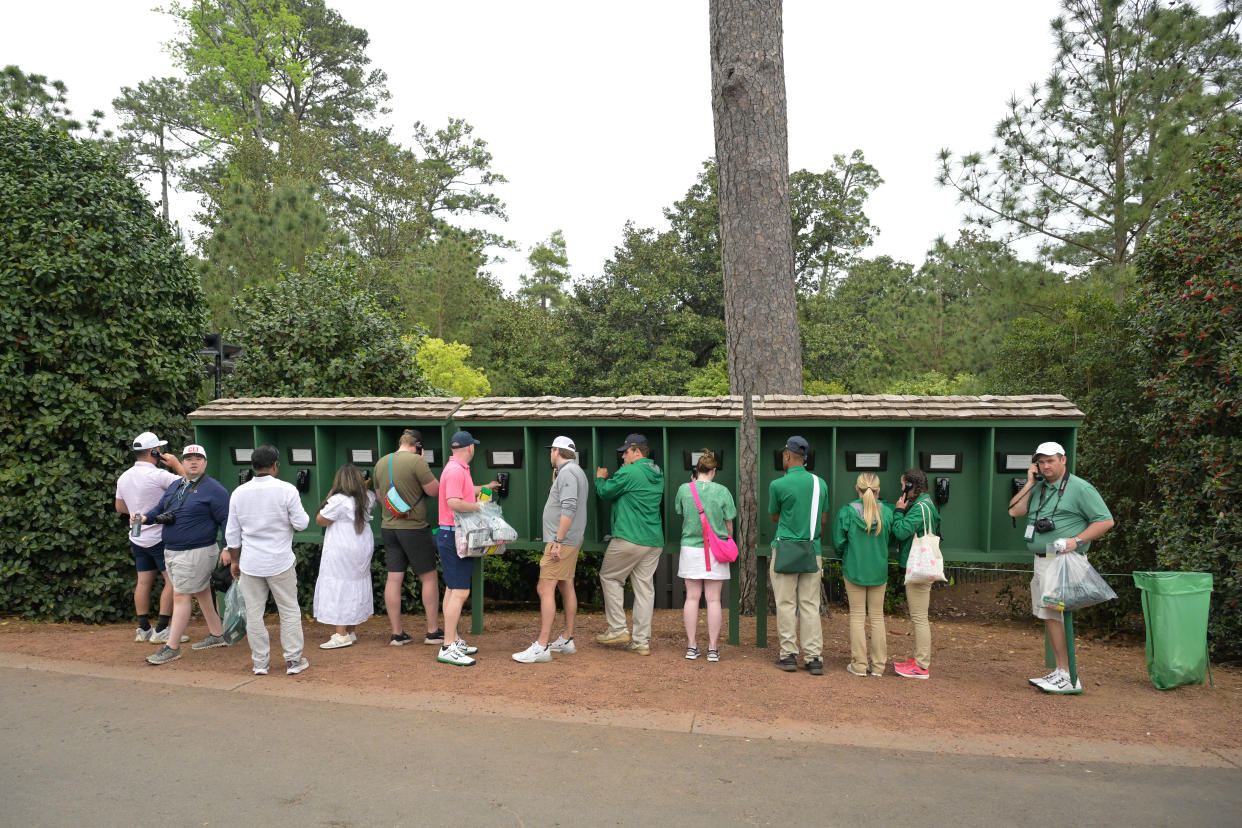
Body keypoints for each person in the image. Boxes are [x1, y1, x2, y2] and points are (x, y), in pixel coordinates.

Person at [1008, 441, 1115, 694]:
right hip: (1043, 559)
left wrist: (1076, 541)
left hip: (1063, 561)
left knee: (1056, 615)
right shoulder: (1039, 487)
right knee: (1050, 616)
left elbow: (1106, 521)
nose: (1046, 466)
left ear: (1063, 460)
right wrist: (1031, 482)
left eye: (1051, 461)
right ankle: (1061, 671)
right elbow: (1014, 511)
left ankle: (1069, 676)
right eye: (1041, 462)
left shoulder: (1080, 488)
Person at [223, 445, 311, 676]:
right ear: (275, 466)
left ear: (252, 467)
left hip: (250, 563)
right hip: (280, 561)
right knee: (289, 610)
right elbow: (302, 523)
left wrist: (234, 561)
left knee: (254, 614)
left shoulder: (239, 493)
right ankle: (293, 660)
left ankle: (260, 663)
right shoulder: (287, 490)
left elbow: (232, 534)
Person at [139, 444, 231, 665]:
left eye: (198, 458)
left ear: (205, 463)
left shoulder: (214, 489)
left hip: (196, 550)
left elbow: (228, 519)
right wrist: (145, 519)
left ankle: (172, 647)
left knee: (180, 595)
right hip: (173, 550)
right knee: (201, 592)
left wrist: (228, 548)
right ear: (183, 462)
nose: (193, 461)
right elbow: (160, 508)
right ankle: (217, 634)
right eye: (189, 458)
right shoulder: (176, 485)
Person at [513, 436, 587, 664]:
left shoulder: (567, 473)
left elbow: (569, 506)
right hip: (570, 539)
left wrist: (558, 540)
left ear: (557, 451)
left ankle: (542, 646)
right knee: (566, 584)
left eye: (551, 450)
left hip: (562, 541)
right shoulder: (574, 471)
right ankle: (566, 639)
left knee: (545, 587)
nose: (550, 454)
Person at [595, 433, 665, 656]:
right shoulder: (657, 472)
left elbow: (606, 492)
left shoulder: (630, 471)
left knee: (610, 577)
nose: (622, 456)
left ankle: (617, 628)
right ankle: (641, 642)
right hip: (653, 540)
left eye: (625, 452)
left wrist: (600, 478)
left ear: (637, 451)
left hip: (629, 537)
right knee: (644, 590)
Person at [115, 431, 186, 645]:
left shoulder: (124, 476)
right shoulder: (159, 475)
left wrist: (138, 513)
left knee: (143, 581)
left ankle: (143, 628)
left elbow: (120, 507)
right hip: (159, 536)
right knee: (172, 581)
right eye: (159, 450)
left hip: (137, 536)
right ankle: (162, 629)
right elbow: (190, 485)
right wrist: (175, 464)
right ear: (154, 452)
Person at [434, 430, 499, 666]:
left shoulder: (457, 469)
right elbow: (453, 502)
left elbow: (461, 491)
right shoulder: (454, 471)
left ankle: (453, 639)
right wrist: (479, 507)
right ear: (470, 448)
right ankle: (447, 646)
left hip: (452, 535)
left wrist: (485, 486)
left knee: (453, 589)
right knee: (460, 592)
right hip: (453, 536)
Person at [767, 436, 830, 675]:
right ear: (805, 458)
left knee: (786, 604)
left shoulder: (778, 485)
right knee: (810, 605)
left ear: (786, 455)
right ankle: (814, 658)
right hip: (812, 550)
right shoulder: (819, 483)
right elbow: (823, 519)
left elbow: (775, 516)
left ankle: (789, 655)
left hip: (785, 550)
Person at [373, 429, 441, 646]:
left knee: (394, 578)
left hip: (388, 527)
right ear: (418, 446)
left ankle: (397, 633)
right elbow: (434, 491)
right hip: (413, 527)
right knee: (428, 577)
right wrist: (424, 464)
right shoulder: (417, 462)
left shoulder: (381, 463)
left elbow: (379, 498)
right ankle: (432, 631)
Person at [674, 448, 736, 663]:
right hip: (715, 550)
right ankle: (712, 648)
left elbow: (680, 512)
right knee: (714, 600)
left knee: (691, 598)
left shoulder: (684, 489)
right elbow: (729, 524)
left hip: (690, 548)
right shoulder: (722, 491)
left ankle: (691, 646)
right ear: (714, 470)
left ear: (696, 469)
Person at [833, 472, 893, 677]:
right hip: (878, 570)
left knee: (857, 616)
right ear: (878, 491)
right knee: (877, 617)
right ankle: (878, 666)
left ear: (856, 489)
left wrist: (847, 555)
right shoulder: (887, 512)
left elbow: (839, 542)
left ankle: (859, 665)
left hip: (854, 569)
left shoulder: (846, 512)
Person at [314, 464, 377, 650]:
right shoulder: (368, 497)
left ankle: (340, 634)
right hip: (362, 546)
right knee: (355, 583)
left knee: (339, 585)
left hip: (341, 549)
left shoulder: (338, 500)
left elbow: (320, 520)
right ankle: (350, 631)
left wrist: (330, 494)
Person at [891, 468, 941, 679]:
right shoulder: (926, 504)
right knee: (919, 616)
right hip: (920, 565)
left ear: (911, 486)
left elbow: (901, 531)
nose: (902, 489)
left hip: (918, 567)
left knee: (919, 617)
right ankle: (919, 660)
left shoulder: (919, 508)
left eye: (903, 485)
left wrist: (899, 511)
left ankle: (921, 666)